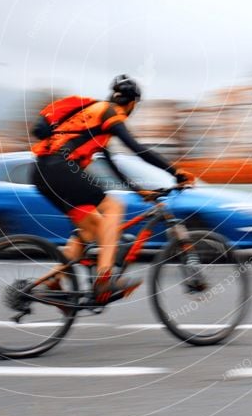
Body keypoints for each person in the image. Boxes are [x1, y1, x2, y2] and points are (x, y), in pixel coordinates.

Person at [31, 75, 194, 303]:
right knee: (114, 206)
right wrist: (175, 172)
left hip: (42, 172)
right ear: (131, 103)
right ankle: (103, 280)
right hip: (60, 169)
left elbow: (111, 164)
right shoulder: (110, 113)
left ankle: (51, 283)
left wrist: (138, 190)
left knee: (90, 231)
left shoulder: (94, 119)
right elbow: (138, 149)